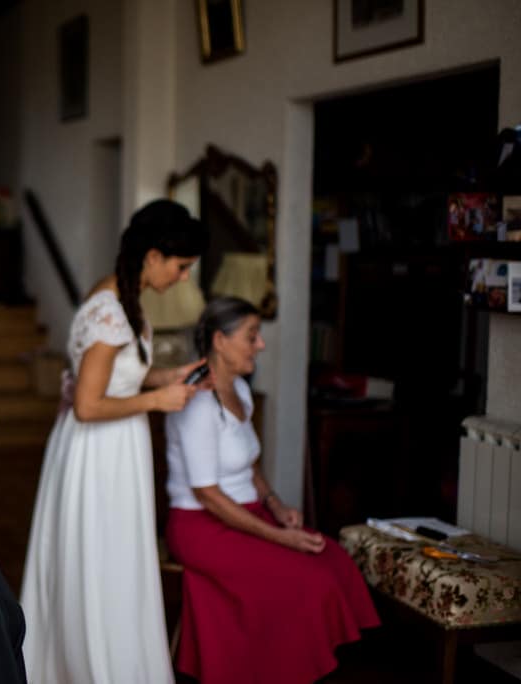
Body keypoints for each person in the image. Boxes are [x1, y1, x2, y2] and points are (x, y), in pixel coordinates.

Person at [20, 199, 209, 683]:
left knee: (114, 559)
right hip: (99, 451)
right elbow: (88, 405)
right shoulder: (110, 311)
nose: (184, 277)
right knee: (102, 560)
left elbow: (120, 377)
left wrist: (168, 376)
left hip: (116, 445)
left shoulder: (122, 297)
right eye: (181, 266)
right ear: (153, 256)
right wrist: (159, 400)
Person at [164, 296, 380, 684]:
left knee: (333, 560)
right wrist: (280, 537)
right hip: (202, 527)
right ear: (220, 341)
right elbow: (208, 495)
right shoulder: (197, 405)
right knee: (309, 583)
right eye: (252, 336)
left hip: (247, 513)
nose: (260, 345)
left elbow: (249, 464)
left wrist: (275, 505)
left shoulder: (240, 391)